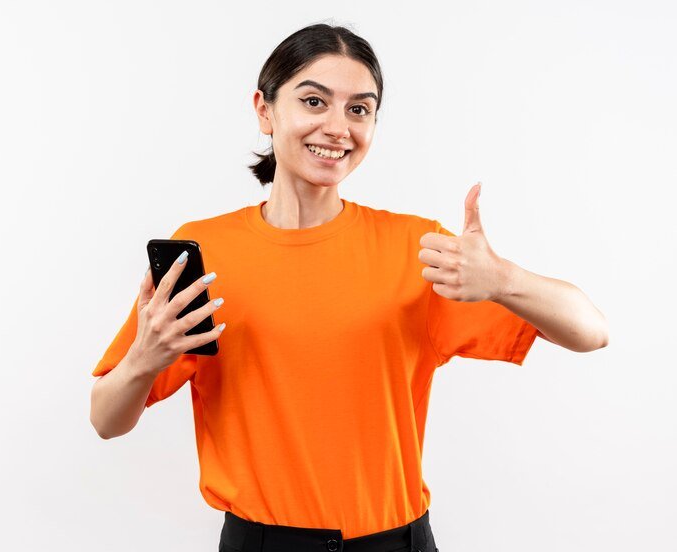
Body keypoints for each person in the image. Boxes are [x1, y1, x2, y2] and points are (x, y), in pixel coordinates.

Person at [90, 22, 609, 552]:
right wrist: (144, 358)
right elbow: (106, 419)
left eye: (359, 109)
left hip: (396, 542)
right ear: (265, 110)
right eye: (314, 102)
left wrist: (504, 279)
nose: (338, 127)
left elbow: (590, 331)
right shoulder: (204, 251)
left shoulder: (417, 249)